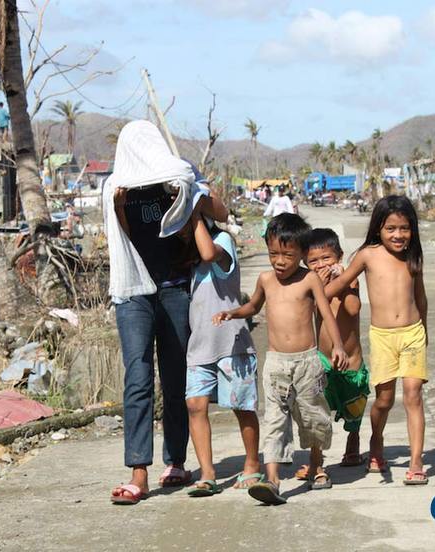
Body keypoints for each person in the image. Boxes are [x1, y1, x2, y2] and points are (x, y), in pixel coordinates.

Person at [106, 120, 229, 506]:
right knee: (138, 377)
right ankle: (138, 473)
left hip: (176, 288)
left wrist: (194, 190)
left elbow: (221, 213)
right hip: (132, 294)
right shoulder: (115, 186)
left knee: (176, 375)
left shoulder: (180, 172)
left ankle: (175, 461)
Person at [214, 213, 347, 505]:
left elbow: (325, 312)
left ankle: (318, 465)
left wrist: (337, 346)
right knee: (275, 419)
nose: (280, 261)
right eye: (274, 253)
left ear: (301, 253)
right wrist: (233, 313)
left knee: (312, 417)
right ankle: (272, 481)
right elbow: (252, 306)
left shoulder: (309, 279)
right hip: (275, 363)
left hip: (307, 362)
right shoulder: (265, 280)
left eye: (288, 255)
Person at [325, 195, 429, 485]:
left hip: (412, 333)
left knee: (413, 395)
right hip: (383, 337)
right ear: (378, 229)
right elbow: (342, 282)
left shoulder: (414, 255)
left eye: (404, 228)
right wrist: (314, 296)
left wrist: (426, 330)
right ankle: (377, 442)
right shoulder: (367, 255)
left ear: (413, 230)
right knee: (384, 400)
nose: (398, 235)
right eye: (391, 228)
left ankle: (417, 461)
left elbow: (420, 297)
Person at [184, 201, 261, 497]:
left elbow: (207, 252)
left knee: (242, 406)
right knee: (194, 406)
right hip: (200, 346)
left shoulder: (223, 241)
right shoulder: (189, 261)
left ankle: (252, 464)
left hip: (232, 342)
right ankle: (207, 473)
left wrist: (192, 214)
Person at [294, 228, 370, 480]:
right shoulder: (311, 285)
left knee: (354, 409)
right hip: (323, 360)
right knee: (316, 408)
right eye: (313, 261)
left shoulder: (351, 281)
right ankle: (316, 459)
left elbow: (353, 308)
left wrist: (345, 282)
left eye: (326, 258)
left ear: (339, 256)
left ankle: (353, 440)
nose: (320, 265)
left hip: (351, 361)